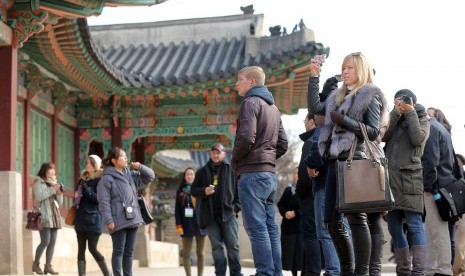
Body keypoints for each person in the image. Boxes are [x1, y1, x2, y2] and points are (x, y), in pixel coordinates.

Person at [307, 52, 388, 276]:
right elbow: (315, 107)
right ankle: (348, 271)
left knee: (356, 219)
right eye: (343, 68)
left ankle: (360, 273)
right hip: (334, 161)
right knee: (331, 221)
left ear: (361, 69)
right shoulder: (338, 95)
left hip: (356, 160)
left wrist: (346, 121)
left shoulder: (371, 94)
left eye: (350, 68)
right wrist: (314, 77)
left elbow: (373, 132)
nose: (344, 71)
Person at [232, 66, 288, 276]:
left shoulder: (249, 102)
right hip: (270, 174)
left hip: (252, 174)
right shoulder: (273, 108)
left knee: (256, 228)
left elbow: (246, 137)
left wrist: (235, 159)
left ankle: (264, 272)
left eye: (240, 80)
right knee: (270, 226)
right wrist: (267, 158)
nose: (236, 84)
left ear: (252, 82)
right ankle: (275, 272)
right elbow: (283, 143)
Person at [382, 89, 430, 276]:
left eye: (402, 101)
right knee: (394, 227)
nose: (400, 104)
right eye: (397, 101)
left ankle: (418, 272)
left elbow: (417, 139)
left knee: (414, 224)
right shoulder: (395, 118)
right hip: (391, 180)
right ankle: (403, 271)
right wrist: (395, 112)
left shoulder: (422, 117)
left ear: (412, 102)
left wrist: (409, 112)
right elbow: (382, 136)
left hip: (410, 179)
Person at [97, 147, 155, 276]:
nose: (126, 158)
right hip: (117, 220)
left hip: (133, 217)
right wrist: (108, 220)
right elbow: (103, 201)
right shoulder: (106, 178)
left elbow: (151, 176)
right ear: (113, 160)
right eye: (122, 156)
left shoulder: (131, 175)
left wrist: (140, 166)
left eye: (125, 156)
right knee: (119, 251)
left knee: (129, 251)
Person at [191, 143, 243, 276]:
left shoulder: (232, 169)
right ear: (210, 154)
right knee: (217, 247)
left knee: (233, 246)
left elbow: (240, 191)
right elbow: (193, 190)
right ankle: (220, 273)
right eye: (213, 152)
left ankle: (236, 273)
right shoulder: (202, 171)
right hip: (210, 216)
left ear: (223, 154)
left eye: (218, 152)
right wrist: (204, 191)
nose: (215, 155)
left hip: (228, 214)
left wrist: (236, 208)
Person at [421, 110, 455, 275]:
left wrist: (427, 186)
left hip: (435, 188)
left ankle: (443, 269)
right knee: (431, 230)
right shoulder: (441, 128)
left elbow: (431, 161)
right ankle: (430, 269)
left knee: (438, 231)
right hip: (442, 186)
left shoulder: (432, 129)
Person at [296, 112, 323, 276]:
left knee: (310, 235)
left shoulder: (311, 141)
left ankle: (312, 272)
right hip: (322, 193)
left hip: (310, 196)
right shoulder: (326, 138)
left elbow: (304, 172)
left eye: (305, 120)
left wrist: (299, 192)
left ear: (312, 121)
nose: (304, 123)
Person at [74, 155, 111, 276]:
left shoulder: (100, 180)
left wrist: (87, 190)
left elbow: (98, 199)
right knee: (80, 250)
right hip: (80, 219)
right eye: (87, 163)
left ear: (97, 166)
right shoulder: (82, 179)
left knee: (92, 248)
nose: (88, 165)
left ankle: (107, 273)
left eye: (91, 163)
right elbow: (79, 197)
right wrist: (77, 195)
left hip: (94, 220)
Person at [32, 162, 64, 275]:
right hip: (44, 216)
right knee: (45, 241)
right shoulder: (38, 182)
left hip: (54, 216)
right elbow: (39, 196)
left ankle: (48, 266)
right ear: (45, 170)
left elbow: (59, 203)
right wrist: (53, 189)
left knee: (52, 242)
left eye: (54, 170)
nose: (53, 172)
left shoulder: (54, 183)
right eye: (51, 169)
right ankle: (36, 264)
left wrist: (59, 193)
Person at [174, 167, 207, 276]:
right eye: (187, 174)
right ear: (184, 176)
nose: (190, 176)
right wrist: (179, 226)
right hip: (186, 224)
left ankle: (200, 274)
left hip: (200, 224)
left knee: (200, 253)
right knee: (186, 254)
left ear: (195, 176)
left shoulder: (200, 189)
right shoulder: (181, 191)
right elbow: (177, 210)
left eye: (192, 174)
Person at [277, 167, 304, 276]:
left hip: (300, 228)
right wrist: (285, 213)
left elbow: (306, 206)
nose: (295, 176)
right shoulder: (288, 190)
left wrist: (295, 213)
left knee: (299, 254)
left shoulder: (305, 190)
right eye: (294, 174)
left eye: (298, 174)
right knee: (290, 255)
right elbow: (280, 203)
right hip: (288, 227)